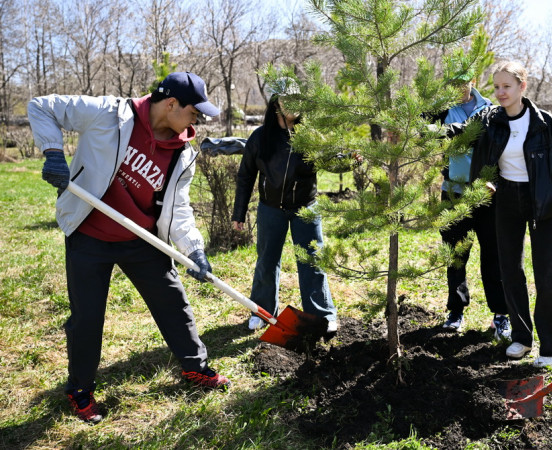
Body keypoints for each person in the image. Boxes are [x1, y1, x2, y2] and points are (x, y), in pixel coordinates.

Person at [28, 72, 231, 424]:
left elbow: (178, 208)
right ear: (171, 104)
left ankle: (195, 368)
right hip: (90, 234)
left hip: (142, 238)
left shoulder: (183, 154)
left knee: (173, 302)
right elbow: (41, 107)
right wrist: (52, 152)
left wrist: (194, 249)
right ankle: (80, 390)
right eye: (194, 111)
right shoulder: (108, 113)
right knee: (87, 318)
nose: (197, 119)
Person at [448, 61, 552, 363]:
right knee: (510, 271)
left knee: (545, 274)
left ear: (522, 86)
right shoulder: (491, 119)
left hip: (541, 201)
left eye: (506, 86)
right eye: (496, 87)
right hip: (505, 199)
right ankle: (521, 338)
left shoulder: (544, 122)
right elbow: (464, 135)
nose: (500, 92)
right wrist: (425, 131)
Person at [232, 79, 359, 335]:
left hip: (305, 209)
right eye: (288, 99)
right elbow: (246, 176)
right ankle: (262, 311)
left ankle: (322, 315)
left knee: (312, 262)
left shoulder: (310, 135)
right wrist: (239, 212)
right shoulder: (260, 138)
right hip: (270, 209)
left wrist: (351, 161)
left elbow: (330, 161)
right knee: (267, 262)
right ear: (276, 103)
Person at [430, 75, 509, 339]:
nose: (458, 86)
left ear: (473, 80)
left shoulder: (490, 109)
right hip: (452, 192)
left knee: (493, 255)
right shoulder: (441, 111)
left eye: (463, 80)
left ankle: (500, 315)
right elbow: (414, 123)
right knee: (455, 255)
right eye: (453, 81)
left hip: (486, 193)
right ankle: (456, 311)